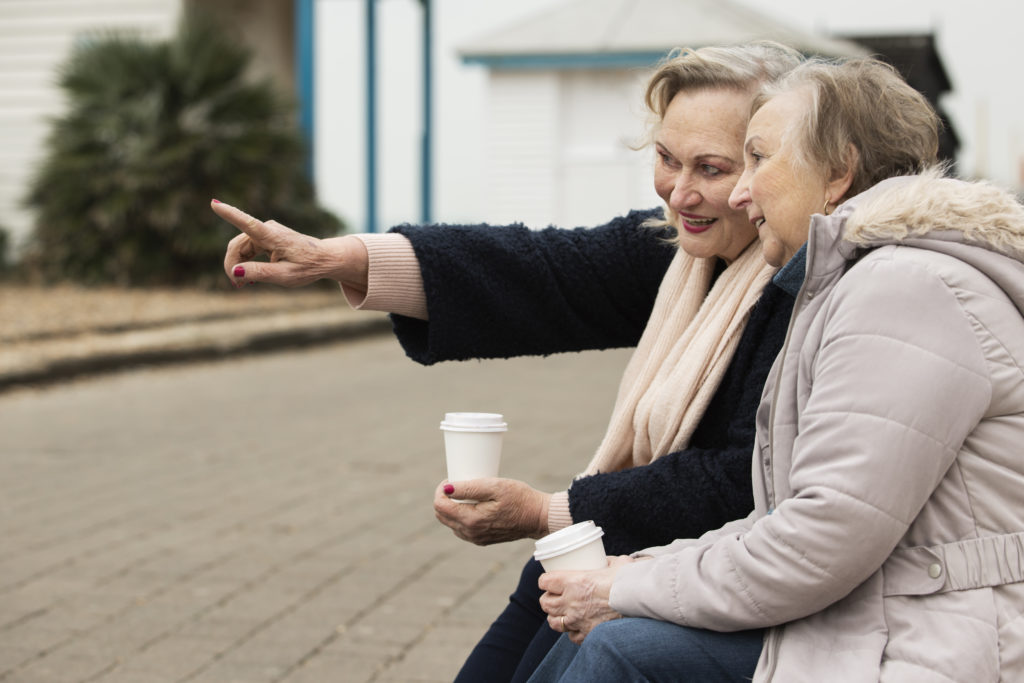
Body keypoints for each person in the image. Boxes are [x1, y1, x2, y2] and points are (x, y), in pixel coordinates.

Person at [212, 42, 804, 681]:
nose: (678, 192)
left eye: (710, 169)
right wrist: (343, 258)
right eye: (665, 158)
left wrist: (546, 512)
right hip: (609, 541)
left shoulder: (810, 287)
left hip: (699, 582)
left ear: (771, 166)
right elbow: (542, 272)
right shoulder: (685, 251)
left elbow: (743, 480)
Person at [528, 56, 1024, 682]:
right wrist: (637, 572)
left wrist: (622, 590)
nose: (740, 191)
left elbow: (819, 542)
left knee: (618, 647)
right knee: (601, 630)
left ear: (839, 171)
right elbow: (788, 521)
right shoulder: (860, 281)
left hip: (936, 644)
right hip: (875, 613)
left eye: (758, 159)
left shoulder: (904, 288)